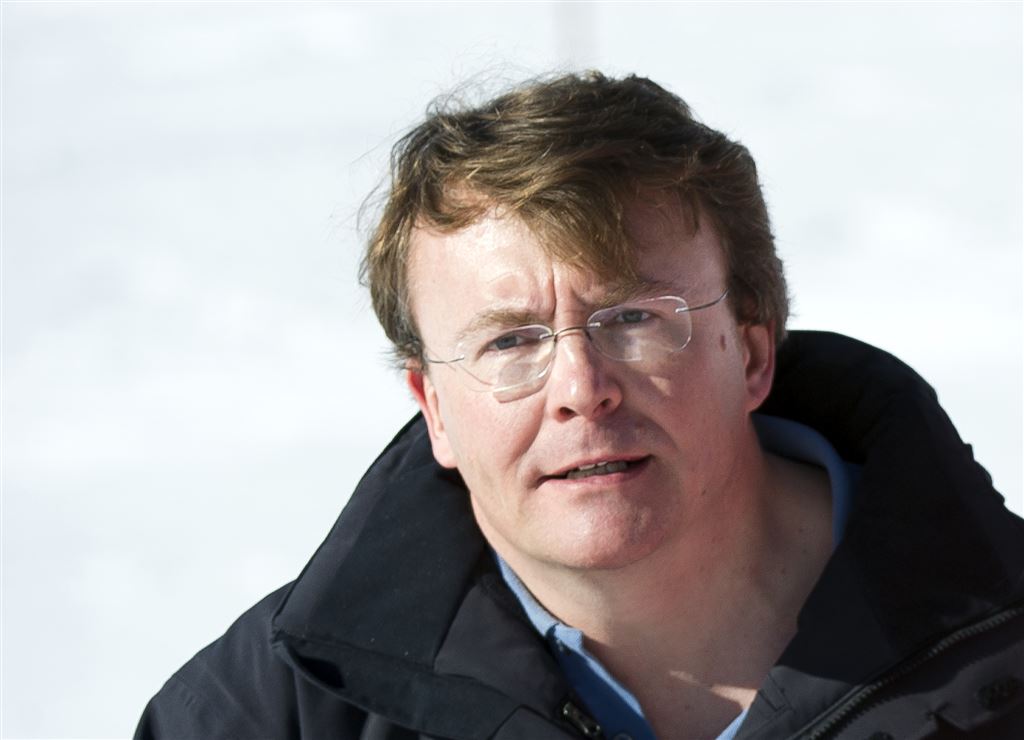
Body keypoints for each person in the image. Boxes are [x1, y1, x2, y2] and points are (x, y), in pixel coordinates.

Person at [135, 72, 1024, 740]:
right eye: (509, 342)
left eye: (634, 319)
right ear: (434, 407)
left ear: (752, 351)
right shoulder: (272, 714)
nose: (580, 390)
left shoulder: (1005, 641)